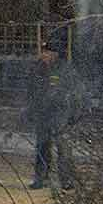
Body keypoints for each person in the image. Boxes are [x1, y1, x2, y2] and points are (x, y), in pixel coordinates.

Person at [26, 45, 79, 190]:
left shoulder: (64, 69)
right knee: (42, 147)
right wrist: (30, 110)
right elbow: (31, 91)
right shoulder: (37, 69)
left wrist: (72, 113)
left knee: (63, 149)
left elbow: (74, 91)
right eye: (42, 53)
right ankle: (41, 178)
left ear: (54, 54)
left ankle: (66, 180)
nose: (43, 55)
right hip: (43, 114)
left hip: (60, 114)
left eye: (46, 52)